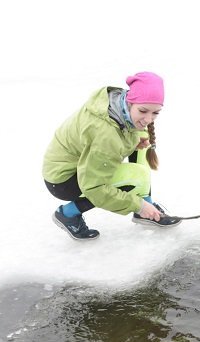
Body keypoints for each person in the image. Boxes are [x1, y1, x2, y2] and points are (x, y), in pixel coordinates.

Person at [42, 71, 181, 241]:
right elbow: (95, 187)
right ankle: (68, 214)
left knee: (141, 141)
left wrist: (133, 142)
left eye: (155, 113)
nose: (148, 119)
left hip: (80, 165)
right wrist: (137, 205)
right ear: (130, 102)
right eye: (143, 111)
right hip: (63, 180)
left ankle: (148, 204)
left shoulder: (118, 107)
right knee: (135, 176)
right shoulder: (105, 134)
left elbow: (123, 135)